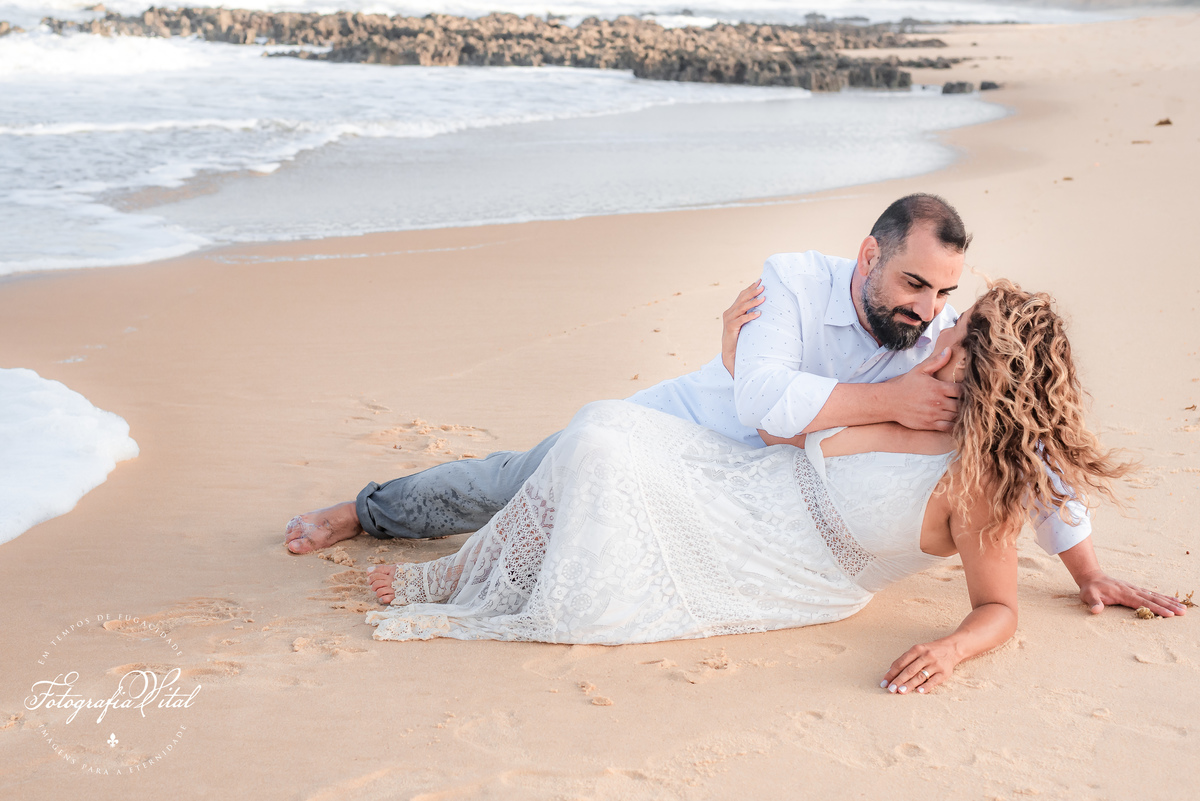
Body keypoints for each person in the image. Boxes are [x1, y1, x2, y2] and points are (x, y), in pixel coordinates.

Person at [286, 194, 1185, 617]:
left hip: (774, 488)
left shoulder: (933, 338)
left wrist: (1086, 568)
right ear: (865, 253)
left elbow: (1024, 445)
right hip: (695, 433)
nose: (924, 308)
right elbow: (759, 402)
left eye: (941, 295)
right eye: (913, 280)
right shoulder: (792, 281)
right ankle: (368, 508)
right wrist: (890, 400)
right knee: (517, 479)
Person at [361, 280, 1181, 692]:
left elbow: (999, 603)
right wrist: (735, 357)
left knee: (602, 466)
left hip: (783, 561)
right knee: (601, 430)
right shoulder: (913, 387)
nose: (938, 327)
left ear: (989, 367)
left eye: (958, 330)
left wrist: (960, 643)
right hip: (749, 480)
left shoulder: (986, 485)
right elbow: (781, 424)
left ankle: (469, 578)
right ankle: (467, 568)